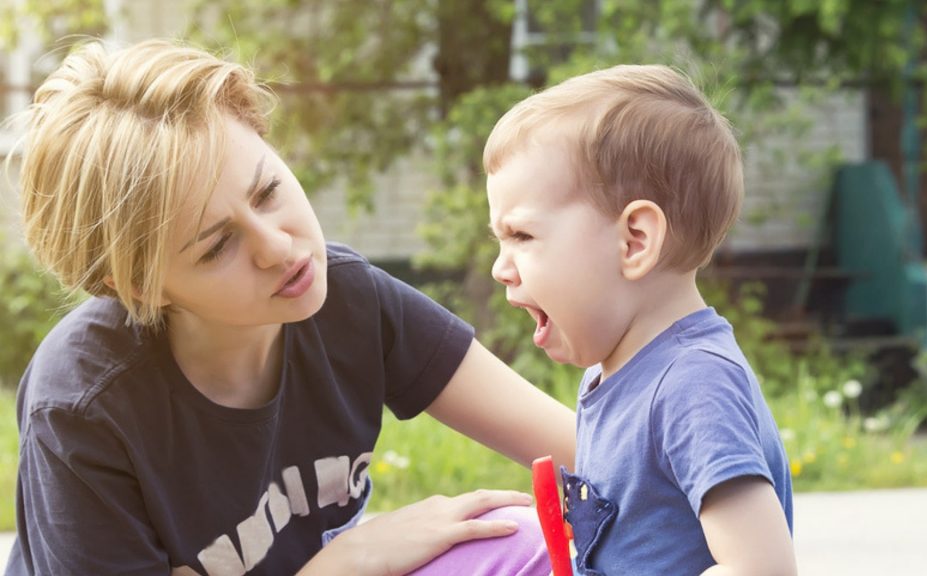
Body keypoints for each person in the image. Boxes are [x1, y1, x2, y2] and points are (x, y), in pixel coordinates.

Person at [5, 38, 575, 576]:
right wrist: (344, 563)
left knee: (519, 541)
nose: (279, 247)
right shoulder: (83, 404)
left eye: (267, 191)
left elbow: (587, 450)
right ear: (140, 288)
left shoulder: (349, 299)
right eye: (217, 245)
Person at [484, 65, 797, 575]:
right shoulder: (614, 375)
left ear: (635, 240)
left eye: (521, 236)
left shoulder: (694, 384)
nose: (500, 267)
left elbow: (761, 567)